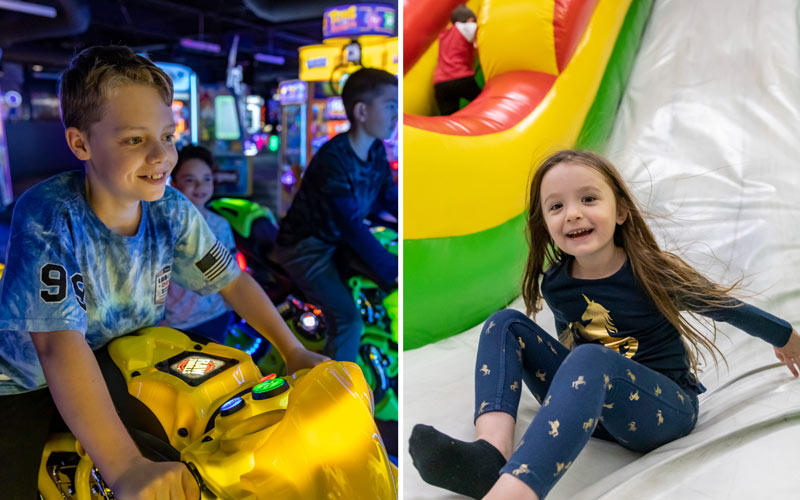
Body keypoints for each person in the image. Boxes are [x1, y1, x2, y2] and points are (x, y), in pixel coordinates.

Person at [0, 45, 327, 499]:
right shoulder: (48, 214)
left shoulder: (172, 210)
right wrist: (125, 466)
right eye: (135, 140)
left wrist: (292, 351)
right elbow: (57, 345)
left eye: (168, 136)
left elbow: (231, 280)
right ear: (80, 144)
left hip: (123, 357)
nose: (161, 156)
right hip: (25, 381)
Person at [408, 150, 800, 500]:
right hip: (594, 406)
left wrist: (788, 338)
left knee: (592, 359)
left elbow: (726, 307)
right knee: (505, 323)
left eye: (589, 199)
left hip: (663, 412)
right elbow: (571, 348)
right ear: (545, 224)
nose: (573, 213)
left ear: (621, 211)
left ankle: (516, 492)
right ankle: (489, 455)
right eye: (556, 207)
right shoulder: (558, 282)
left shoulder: (652, 272)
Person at [274, 67, 398, 363]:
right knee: (348, 321)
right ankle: (336, 396)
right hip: (306, 247)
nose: (396, 115)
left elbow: (390, 200)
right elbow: (352, 226)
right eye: (391, 106)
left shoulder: (377, 151)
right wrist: (394, 273)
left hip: (336, 242)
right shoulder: (333, 159)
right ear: (361, 111)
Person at [163, 145, 235, 343]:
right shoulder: (164, 226)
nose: (200, 186)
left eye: (206, 179)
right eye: (189, 180)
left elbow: (231, 272)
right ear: (174, 182)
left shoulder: (220, 225)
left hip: (215, 317)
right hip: (176, 324)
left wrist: (230, 309)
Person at [433, 4, 480, 116]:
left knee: (448, 117)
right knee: (484, 103)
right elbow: (481, 32)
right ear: (470, 19)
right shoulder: (466, 26)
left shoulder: (444, 34)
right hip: (460, 77)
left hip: (440, 83)